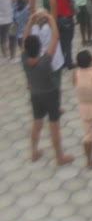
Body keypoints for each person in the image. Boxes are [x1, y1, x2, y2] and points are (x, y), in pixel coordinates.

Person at [22, 11, 74, 166]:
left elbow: (25, 39)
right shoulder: (45, 61)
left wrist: (31, 20)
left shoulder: (24, 60)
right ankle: (59, 157)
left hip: (35, 94)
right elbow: (55, 38)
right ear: (39, 48)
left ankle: (34, 151)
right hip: (50, 94)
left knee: (37, 123)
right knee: (54, 126)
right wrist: (51, 18)